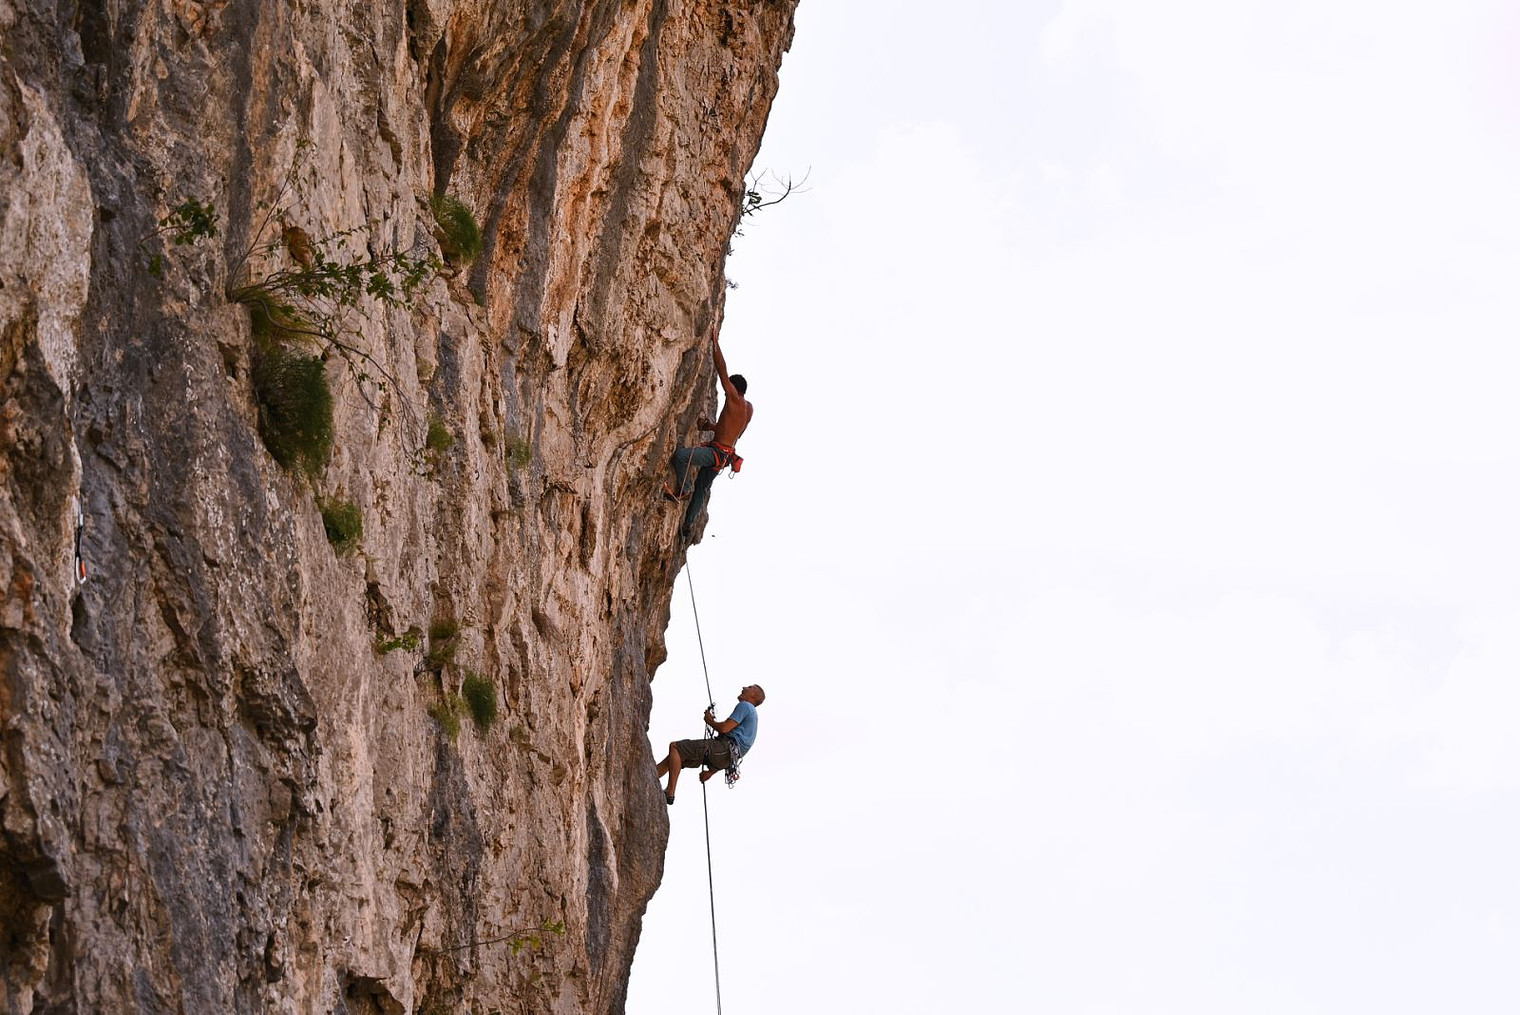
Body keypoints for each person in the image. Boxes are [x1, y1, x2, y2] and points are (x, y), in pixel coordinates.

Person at [664, 323, 753, 537]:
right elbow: (734, 433)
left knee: (681, 456)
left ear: (735, 389)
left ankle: (684, 489)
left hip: (716, 453)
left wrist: (715, 342)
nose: (727, 391)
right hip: (724, 456)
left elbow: (722, 370)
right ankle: (688, 525)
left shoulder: (734, 398)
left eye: (729, 388)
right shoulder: (748, 409)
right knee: (702, 488)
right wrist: (711, 427)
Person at [657, 684, 765, 804]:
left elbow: (724, 728)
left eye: (749, 688)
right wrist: (711, 771)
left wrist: (710, 721)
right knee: (675, 759)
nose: (744, 688)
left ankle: (670, 792)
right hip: (726, 759)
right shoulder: (753, 717)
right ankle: (653, 774)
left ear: (754, 696)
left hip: (723, 748)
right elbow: (736, 750)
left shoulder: (746, 706)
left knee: (676, 748)